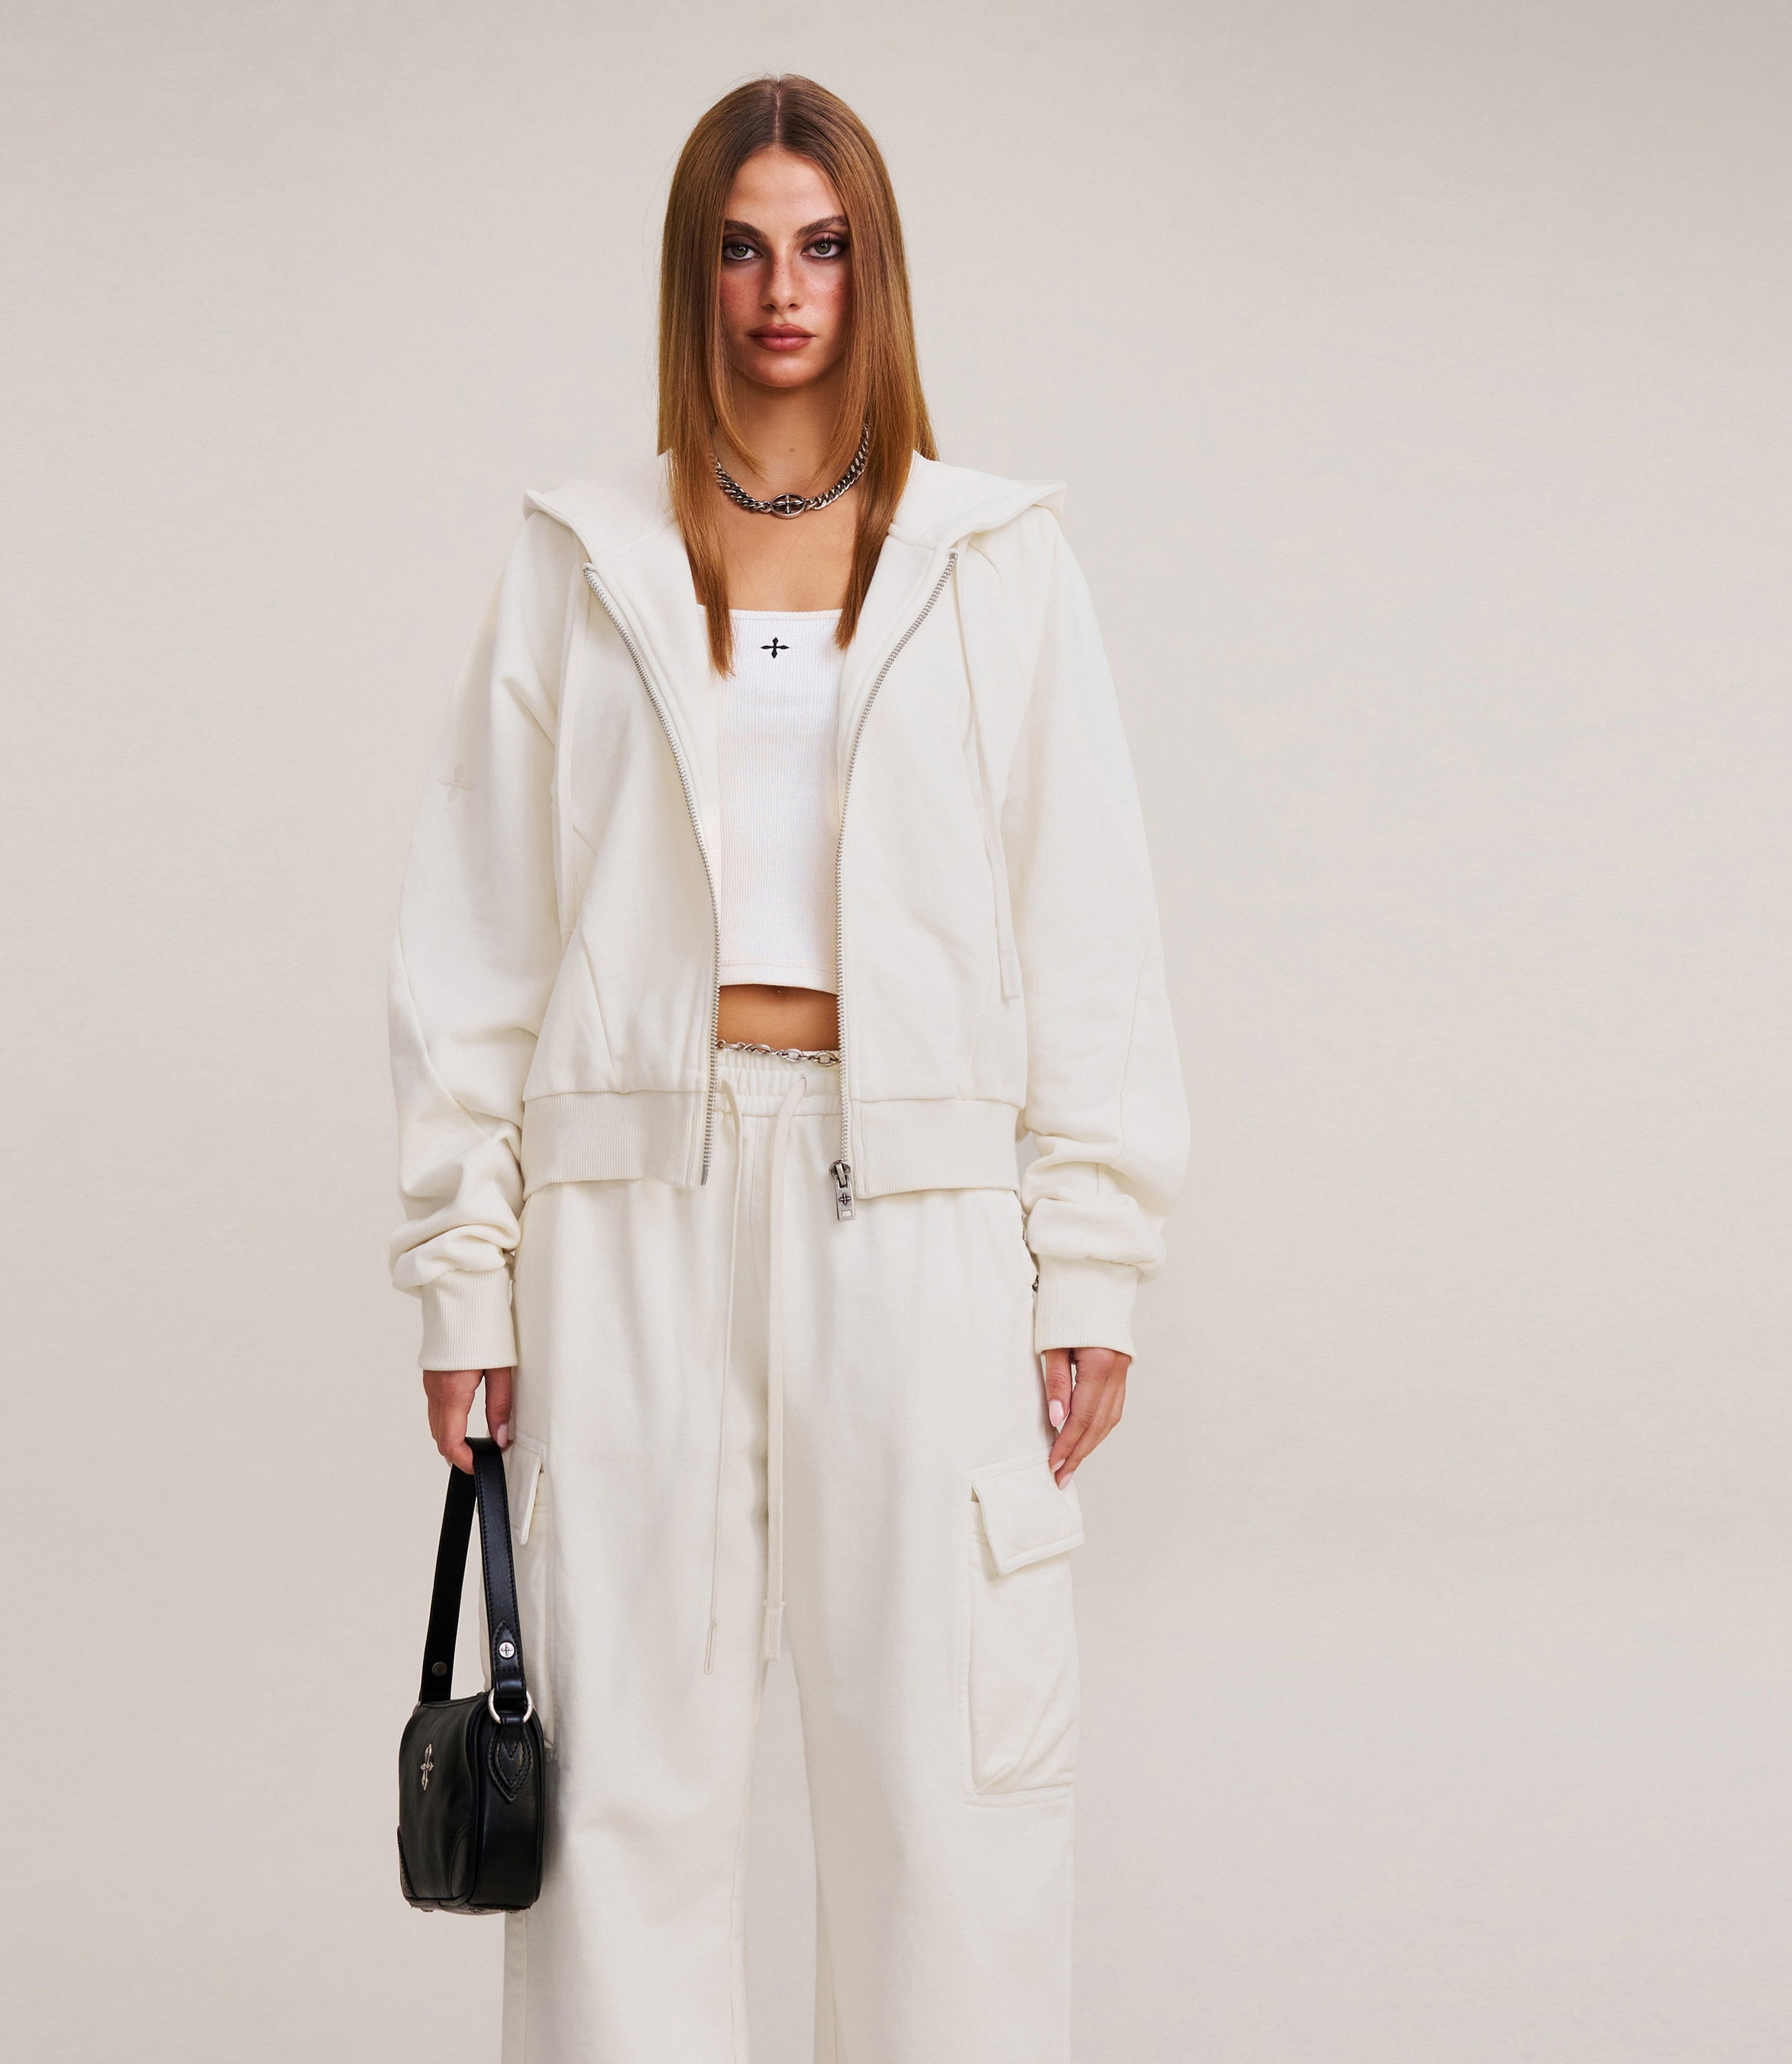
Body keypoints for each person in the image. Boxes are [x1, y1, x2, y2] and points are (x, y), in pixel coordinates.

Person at [388, 72, 1188, 2064]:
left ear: (874, 269)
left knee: (947, 1807)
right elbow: (479, 933)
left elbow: (1086, 917)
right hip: (628, 1207)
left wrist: (1090, 1257)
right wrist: (466, 1273)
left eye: (822, 247)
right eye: (742, 249)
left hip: (914, 1205)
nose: (783, 291)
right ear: (694, 274)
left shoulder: (996, 561)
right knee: (620, 1805)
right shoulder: (580, 558)